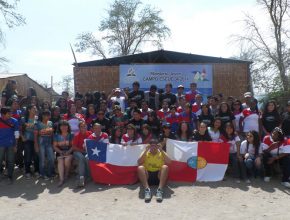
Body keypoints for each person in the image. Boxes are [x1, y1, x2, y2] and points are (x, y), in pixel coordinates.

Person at [0, 107, 19, 184]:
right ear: (3, 114)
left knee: (11, 161)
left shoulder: (15, 121)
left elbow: (16, 134)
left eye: (11, 113)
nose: (11, 115)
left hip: (11, 144)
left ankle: (10, 176)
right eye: (9, 113)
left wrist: (16, 145)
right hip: (0, 145)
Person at [34, 110, 55, 180]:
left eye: (49, 115)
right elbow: (35, 135)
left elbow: (52, 134)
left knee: (51, 159)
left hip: (49, 143)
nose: (49, 117)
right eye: (47, 115)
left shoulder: (50, 123)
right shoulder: (38, 124)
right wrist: (36, 146)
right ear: (43, 116)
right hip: (41, 143)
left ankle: (49, 173)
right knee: (42, 160)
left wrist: (53, 143)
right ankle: (43, 174)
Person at [53, 120, 74, 187]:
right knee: (60, 161)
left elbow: (73, 146)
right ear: (59, 127)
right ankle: (61, 179)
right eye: (62, 126)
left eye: (65, 125)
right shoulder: (56, 135)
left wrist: (68, 152)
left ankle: (66, 174)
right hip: (60, 152)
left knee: (67, 160)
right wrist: (60, 152)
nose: (64, 127)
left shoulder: (71, 135)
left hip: (69, 151)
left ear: (68, 127)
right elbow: (54, 146)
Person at [22, 104, 39, 179]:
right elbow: (19, 129)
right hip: (27, 140)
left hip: (36, 140)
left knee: (36, 156)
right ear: (29, 110)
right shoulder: (24, 119)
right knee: (28, 156)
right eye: (33, 108)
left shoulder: (37, 118)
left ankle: (36, 171)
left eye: (36, 108)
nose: (35, 110)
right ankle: (27, 171)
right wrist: (22, 137)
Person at [72, 121, 92, 187]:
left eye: (84, 126)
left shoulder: (90, 134)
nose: (83, 128)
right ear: (79, 128)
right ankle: (81, 177)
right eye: (81, 126)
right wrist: (82, 151)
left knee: (87, 158)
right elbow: (74, 147)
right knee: (81, 158)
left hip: (87, 152)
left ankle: (89, 176)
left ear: (86, 127)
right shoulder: (77, 135)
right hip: (78, 152)